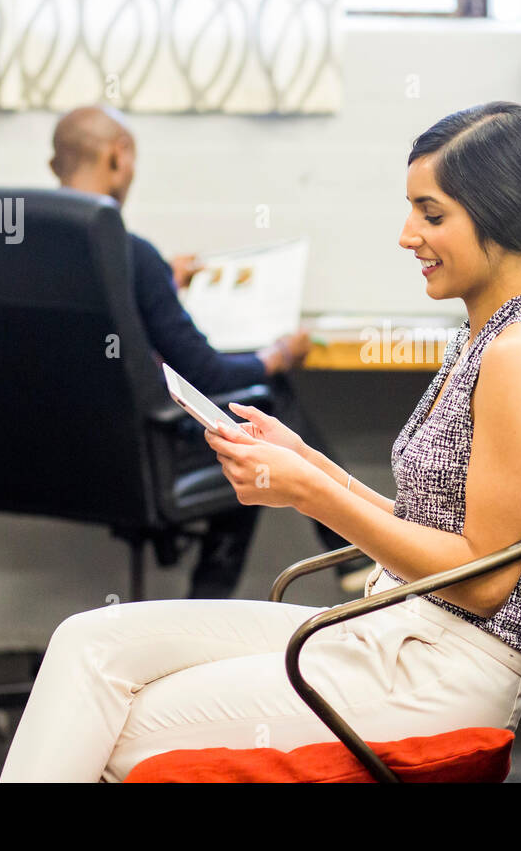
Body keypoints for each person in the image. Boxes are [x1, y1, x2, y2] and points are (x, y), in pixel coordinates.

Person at [0, 101, 521, 782]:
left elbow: (481, 583)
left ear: (502, 217)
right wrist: (306, 462)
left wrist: (310, 494)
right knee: (88, 646)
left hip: (438, 669)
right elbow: (437, 530)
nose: (406, 235)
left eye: (432, 214)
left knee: (120, 734)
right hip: (397, 625)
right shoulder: (488, 337)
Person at [50, 105, 344, 595]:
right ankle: (221, 601)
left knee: (251, 412)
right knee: (254, 416)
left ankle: (335, 556)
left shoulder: (35, 247)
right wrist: (276, 356)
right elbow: (206, 371)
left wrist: (160, 282)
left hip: (55, 453)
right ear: (118, 157)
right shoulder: (129, 252)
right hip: (137, 453)